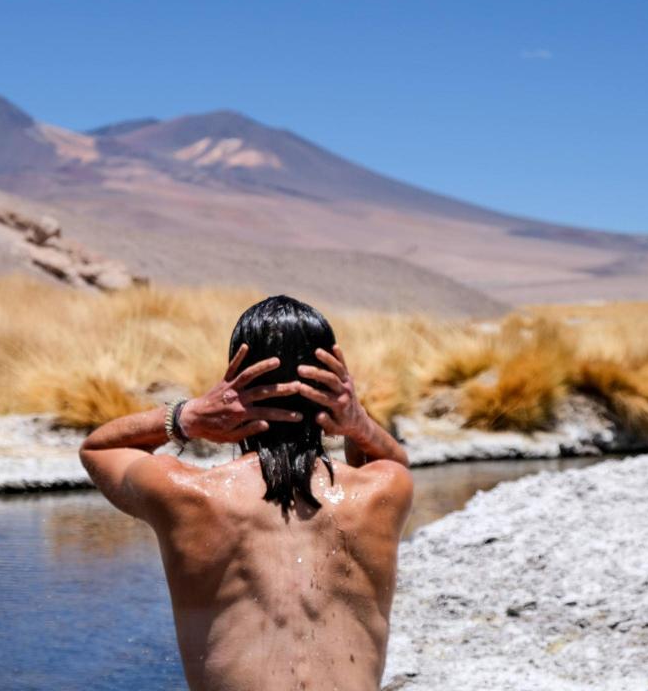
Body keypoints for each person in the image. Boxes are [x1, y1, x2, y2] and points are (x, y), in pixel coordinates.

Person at [80, 295, 413, 691]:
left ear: (234, 384)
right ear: (333, 385)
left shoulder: (190, 496)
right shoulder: (384, 491)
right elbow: (391, 462)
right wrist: (360, 425)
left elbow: (98, 449)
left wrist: (188, 417)